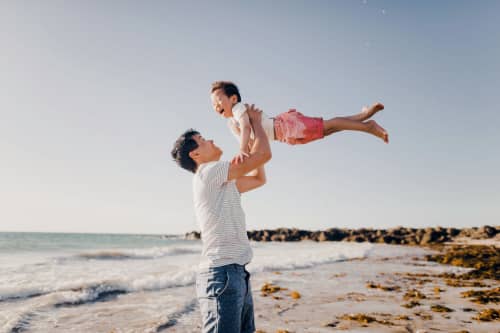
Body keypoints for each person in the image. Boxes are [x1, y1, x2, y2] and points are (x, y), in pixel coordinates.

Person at [171, 105, 271, 333]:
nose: (211, 140)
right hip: (222, 274)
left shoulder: (222, 180)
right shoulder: (208, 172)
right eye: (203, 139)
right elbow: (264, 155)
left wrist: (249, 136)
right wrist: (253, 123)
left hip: (236, 273)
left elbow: (258, 177)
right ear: (195, 154)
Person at [210, 81, 389, 164]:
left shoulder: (238, 109)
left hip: (287, 127)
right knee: (330, 128)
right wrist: (244, 155)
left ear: (233, 98)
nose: (216, 105)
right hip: (287, 136)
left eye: (219, 100)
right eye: (213, 104)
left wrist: (241, 150)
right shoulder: (231, 123)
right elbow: (249, 145)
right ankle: (363, 115)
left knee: (331, 125)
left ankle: (368, 126)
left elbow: (248, 128)